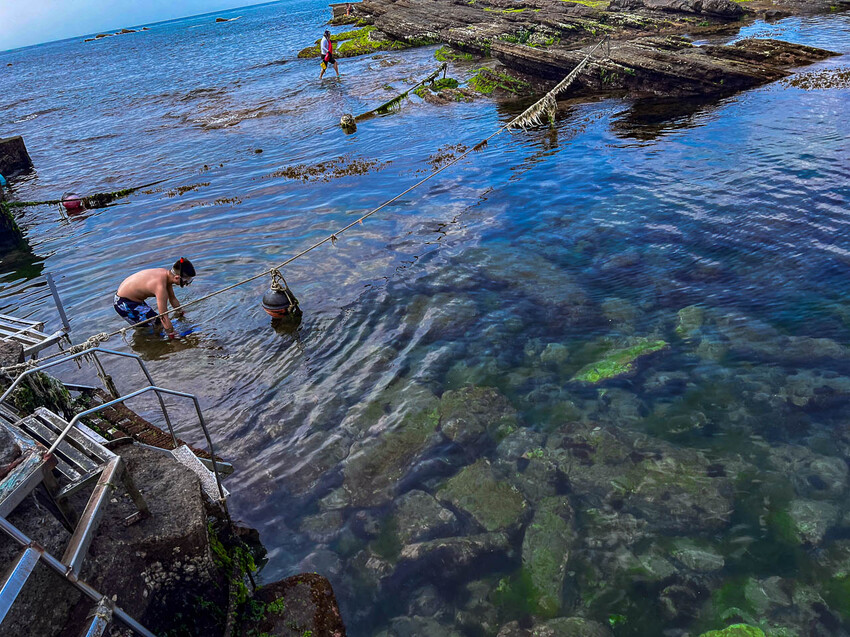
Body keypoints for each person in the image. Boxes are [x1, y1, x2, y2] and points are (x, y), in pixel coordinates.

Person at [113, 258, 195, 338]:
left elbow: (172, 298)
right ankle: (146, 341)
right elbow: (163, 316)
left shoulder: (166, 275)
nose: (186, 284)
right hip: (125, 304)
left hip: (132, 299)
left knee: (157, 323)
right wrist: (172, 333)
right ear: (177, 277)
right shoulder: (160, 287)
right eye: (186, 282)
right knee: (154, 327)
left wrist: (180, 311)